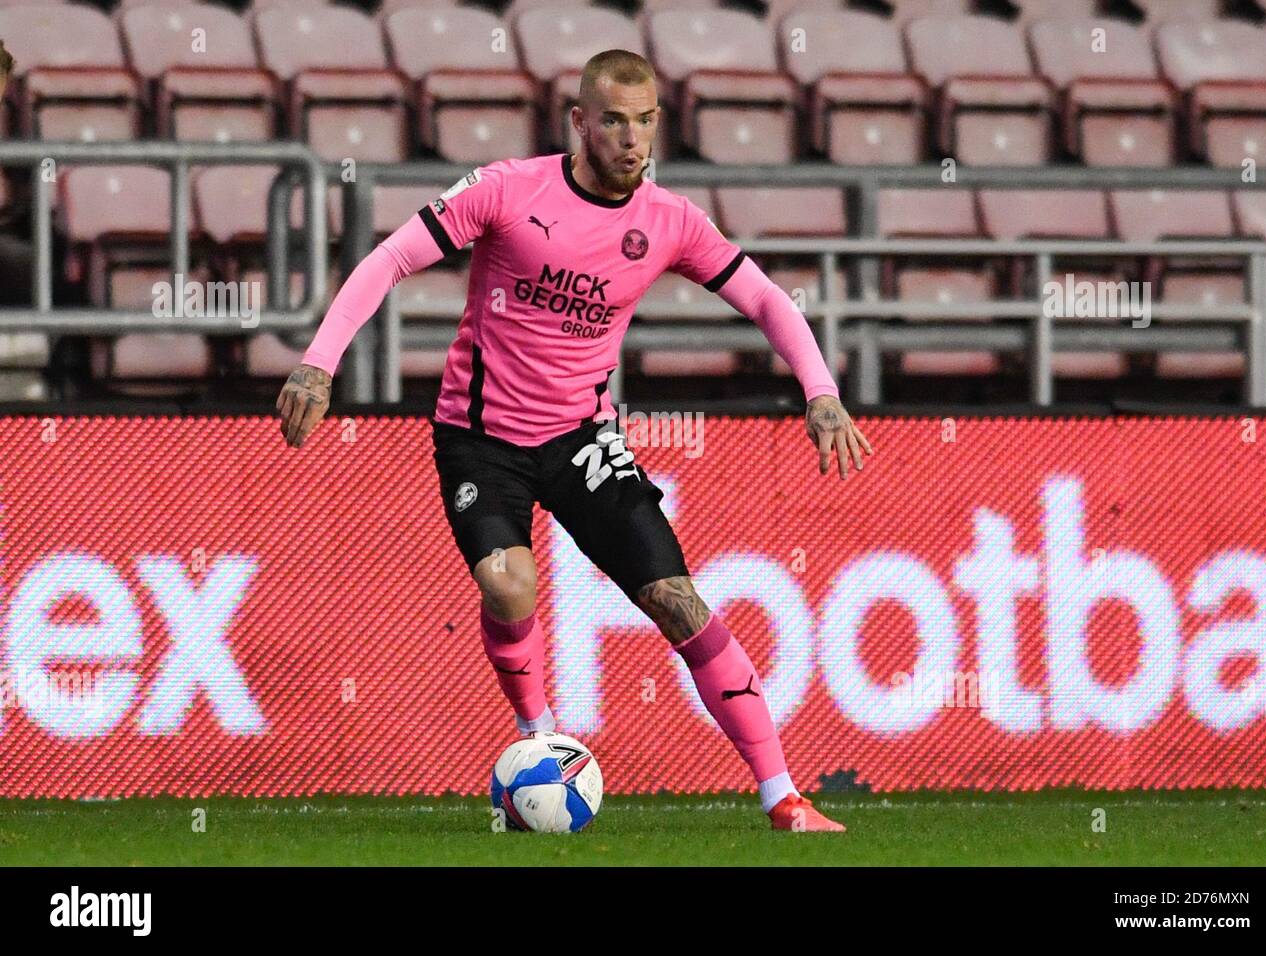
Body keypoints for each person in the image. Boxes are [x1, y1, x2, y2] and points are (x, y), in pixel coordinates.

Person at [276, 49, 872, 831]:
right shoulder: (506, 191)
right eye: (616, 120)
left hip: (584, 442)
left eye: (647, 121)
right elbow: (389, 260)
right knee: (508, 585)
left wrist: (821, 392)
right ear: (580, 122)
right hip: (480, 438)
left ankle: (783, 797)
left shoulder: (669, 222)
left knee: (678, 601)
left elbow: (765, 297)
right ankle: (538, 736)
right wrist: (320, 365)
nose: (633, 139)